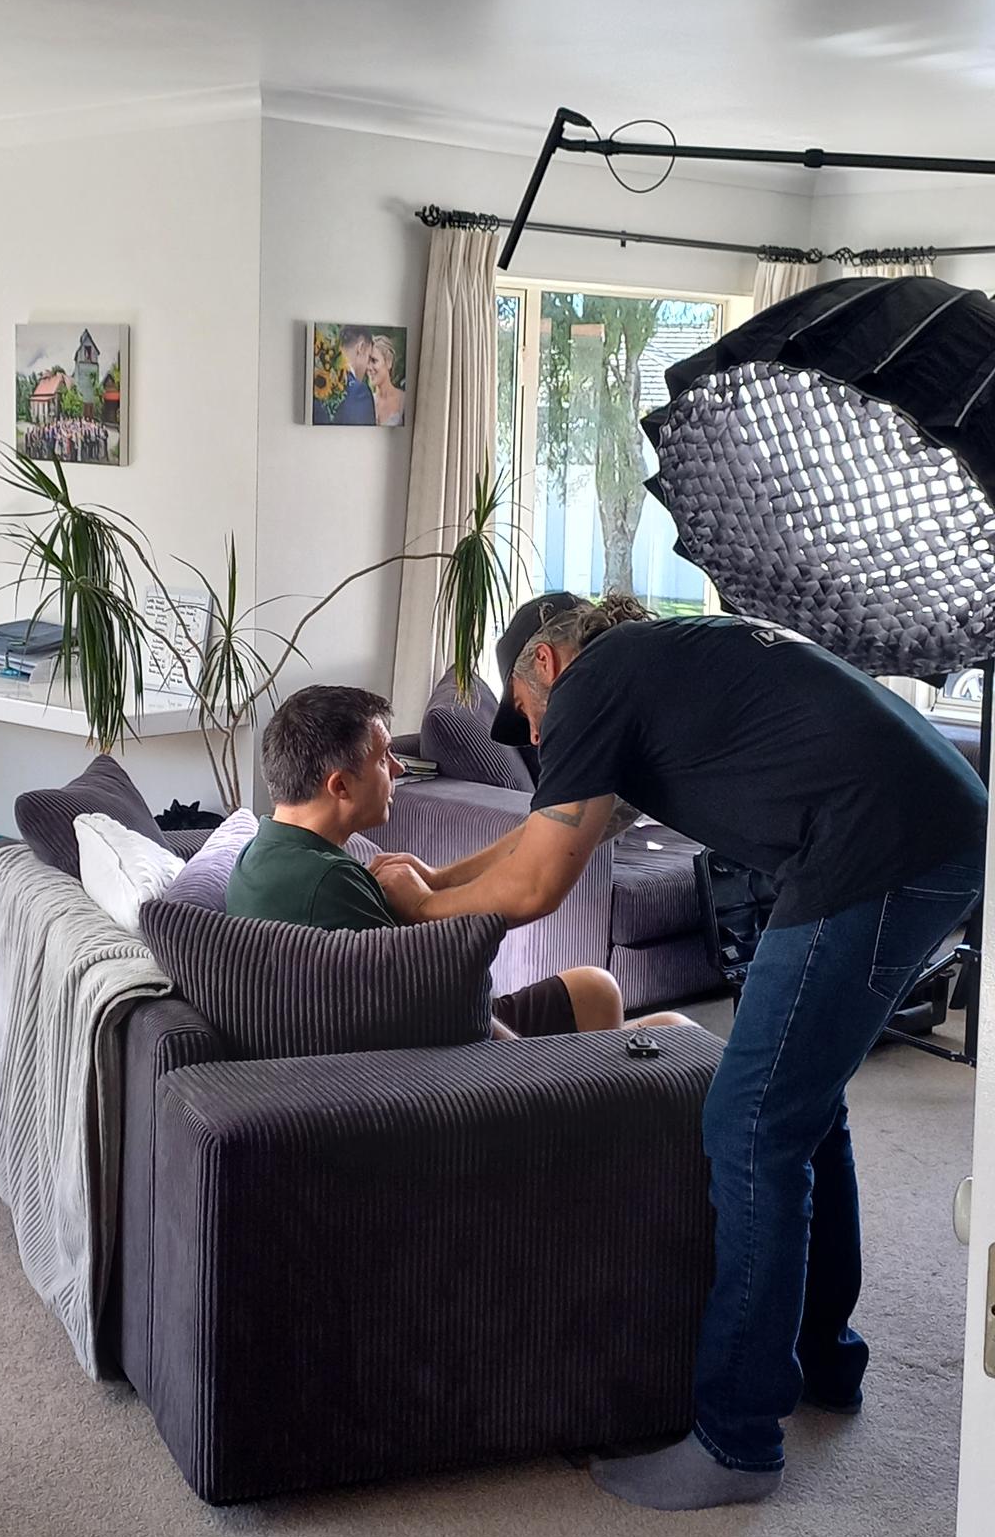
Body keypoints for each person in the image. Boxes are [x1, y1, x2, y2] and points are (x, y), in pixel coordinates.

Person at [372, 591, 986, 1511]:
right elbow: (545, 835)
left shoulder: (596, 683)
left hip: (879, 848)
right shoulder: (655, 667)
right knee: (802, 1104)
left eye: (526, 714)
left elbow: (538, 884)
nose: (532, 736)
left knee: (749, 1121)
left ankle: (736, 1438)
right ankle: (822, 1358)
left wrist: (421, 910)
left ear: (548, 664)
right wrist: (436, 875)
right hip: (928, 827)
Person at [227, 683, 693, 1039]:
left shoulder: (263, 851)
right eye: (384, 758)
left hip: (437, 1025)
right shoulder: (330, 883)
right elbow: (440, 1005)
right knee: (674, 1030)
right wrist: (536, 1068)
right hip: (454, 1058)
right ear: (340, 785)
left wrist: (435, 882)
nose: (399, 768)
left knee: (594, 987)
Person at [367, 334, 406, 426]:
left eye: (374, 361)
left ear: (389, 362)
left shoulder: (404, 400)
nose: (369, 367)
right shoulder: (367, 401)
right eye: (367, 362)